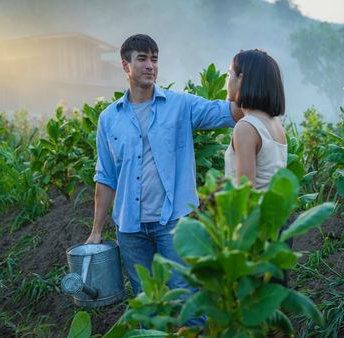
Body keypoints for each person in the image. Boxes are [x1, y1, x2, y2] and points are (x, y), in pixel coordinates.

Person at [85, 34, 243, 298]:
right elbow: (106, 177)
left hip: (174, 222)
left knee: (184, 295)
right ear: (126, 66)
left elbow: (230, 112)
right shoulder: (109, 118)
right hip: (130, 229)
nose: (150, 66)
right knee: (146, 299)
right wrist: (96, 231)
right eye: (143, 59)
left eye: (154, 59)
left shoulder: (181, 105)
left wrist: (252, 75)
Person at [224, 49, 287, 190]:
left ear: (241, 78)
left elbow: (246, 193)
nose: (227, 81)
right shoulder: (275, 123)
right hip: (271, 211)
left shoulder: (246, 127)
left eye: (229, 74)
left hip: (252, 211)